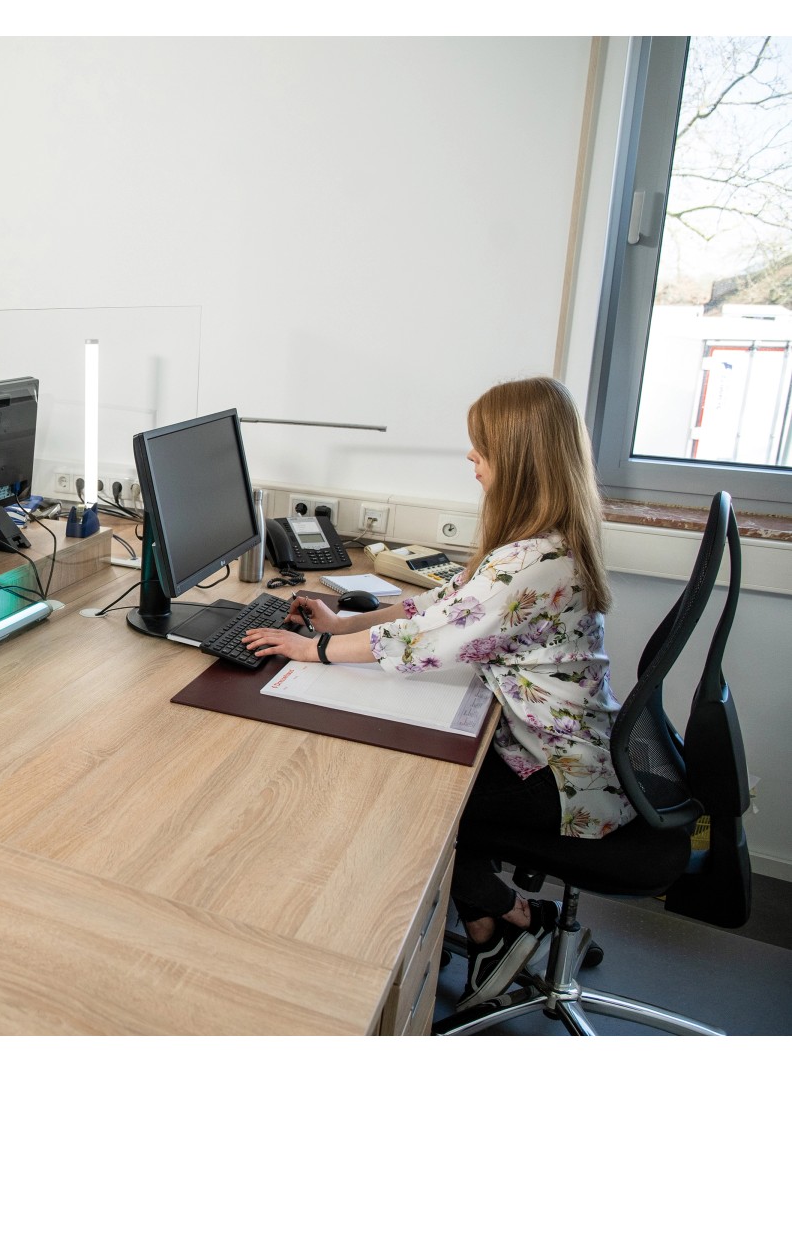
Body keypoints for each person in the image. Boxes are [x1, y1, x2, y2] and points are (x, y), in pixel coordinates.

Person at [244, 376, 622, 1010]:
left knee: (411, 813)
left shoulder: (531, 565)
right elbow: (441, 607)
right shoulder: (539, 546)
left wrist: (317, 650)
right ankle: (486, 929)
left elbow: (426, 641)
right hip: (550, 748)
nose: (471, 460)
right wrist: (342, 623)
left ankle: (517, 915)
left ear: (522, 462)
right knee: (419, 784)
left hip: (561, 778)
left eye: (482, 450)